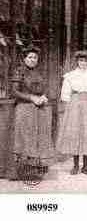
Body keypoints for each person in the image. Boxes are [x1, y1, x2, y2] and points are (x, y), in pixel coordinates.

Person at [8, 46, 54, 181]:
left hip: (39, 110)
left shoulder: (39, 73)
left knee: (37, 139)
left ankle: (34, 171)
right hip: (24, 109)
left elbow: (43, 89)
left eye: (35, 57)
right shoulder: (19, 71)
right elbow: (14, 92)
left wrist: (44, 96)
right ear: (24, 59)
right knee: (25, 139)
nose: (32, 60)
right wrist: (31, 98)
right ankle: (22, 172)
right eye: (30, 57)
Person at [56, 50, 87, 175]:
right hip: (75, 104)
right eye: (80, 60)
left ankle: (86, 166)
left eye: (85, 61)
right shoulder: (70, 76)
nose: (83, 63)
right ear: (77, 62)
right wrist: (70, 104)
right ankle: (76, 165)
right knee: (75, 133)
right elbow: (65, 93)